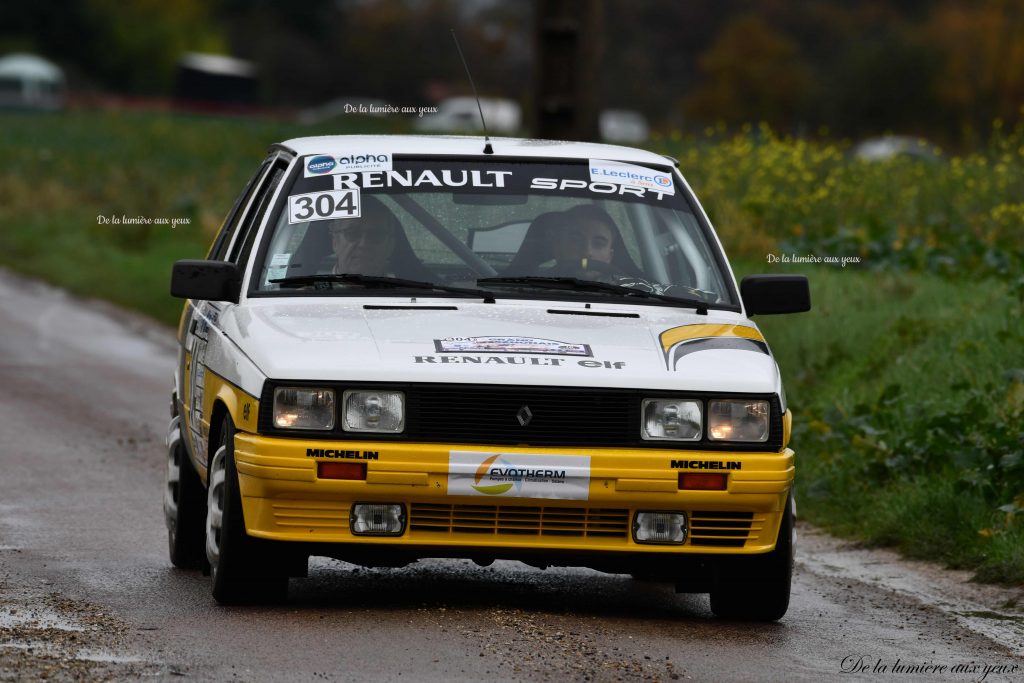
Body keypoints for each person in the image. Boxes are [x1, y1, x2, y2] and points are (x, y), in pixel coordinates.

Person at [326, 196, 433, 280]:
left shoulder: (414, 296)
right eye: (352, 233)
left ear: (390, 246)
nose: (364, 244)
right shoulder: (310, 292)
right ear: (335, 242)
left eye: (376, 235)